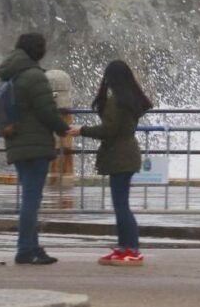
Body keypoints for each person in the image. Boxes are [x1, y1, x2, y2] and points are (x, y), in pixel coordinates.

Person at [68, 60, 152, 267]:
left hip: (120, 156)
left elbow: (109, 130)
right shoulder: (130, 99)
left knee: (121, 205)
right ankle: (125, 248)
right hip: (126, 154)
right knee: (120, 203)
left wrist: (82, 130)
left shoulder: (117, 101)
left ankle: (131, 249)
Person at [0, 32, 69, 266]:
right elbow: (47, 109)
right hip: (35, 144)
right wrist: (63, 129)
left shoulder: (12, 74)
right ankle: (25, 249)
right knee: (31, 199)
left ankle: (32, 246)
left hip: (17, 142)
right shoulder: (35, 76)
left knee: (30, 197)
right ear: (37, 50)